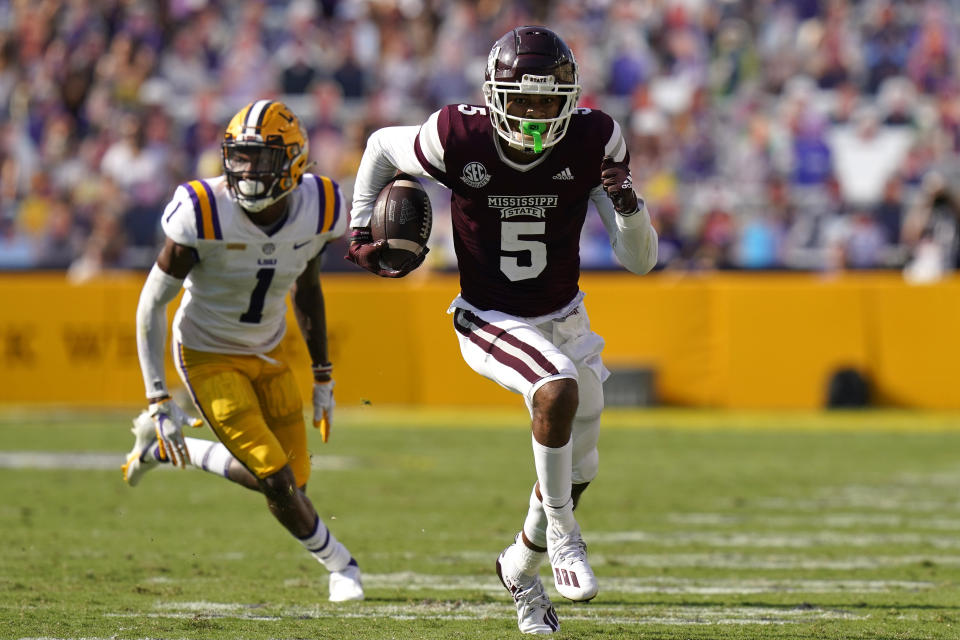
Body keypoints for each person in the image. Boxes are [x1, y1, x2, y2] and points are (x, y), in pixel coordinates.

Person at [345, 26, 657, 634]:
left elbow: (640, 261)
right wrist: (361, 228)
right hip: (490, 317)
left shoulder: (596, 139)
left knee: (581, 461)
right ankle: (566, 537)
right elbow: (383, 145)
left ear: (570, 97)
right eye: (523, 100)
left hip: (566, 318)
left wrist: (628, 205)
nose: (537, 115)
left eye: (548, 101)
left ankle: (519, 565)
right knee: (556, 388)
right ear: (495, 96)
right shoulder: (457, 136)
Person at [122, 99, 364, 602]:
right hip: (208, 354)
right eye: (241, 156)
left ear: (295, 163)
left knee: (292, 478)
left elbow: (309, 288)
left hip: (271, 349)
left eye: (263, 157)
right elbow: (151, 304)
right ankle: (340, 562)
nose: (248, 169)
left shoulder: (321, 205)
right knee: (276, 479)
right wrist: (158, 399)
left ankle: (161, 452)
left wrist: (323, 374)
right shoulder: (203, 209)